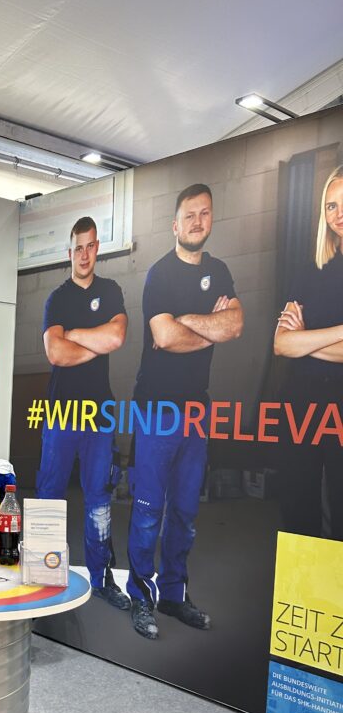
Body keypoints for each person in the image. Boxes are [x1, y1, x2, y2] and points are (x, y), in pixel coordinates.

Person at [127, 184, 243, 639]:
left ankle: (173, 595)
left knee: (185, 511)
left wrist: (186, 322)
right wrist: (207, 326)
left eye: (204, 213)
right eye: (189, 215)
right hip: (156, 407)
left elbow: (235, 325)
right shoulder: (159, 274)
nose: (197, 221)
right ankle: (141, 596)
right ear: (175, 225)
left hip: (196, 409)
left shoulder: (220, 271)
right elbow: (164, 337)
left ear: (211, 220)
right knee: (148, 509)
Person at [35, 216, 129, 608]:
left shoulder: (111, 290)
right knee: (49, 495)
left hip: (98, 413)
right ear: (69, 252)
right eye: (78, 248)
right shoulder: (57, 298)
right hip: (60, 411)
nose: (84, 254)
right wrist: (96, 341)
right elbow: (55, 353)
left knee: (99, 499)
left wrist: (74, 335)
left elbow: (117, 337)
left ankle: (102, 578)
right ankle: (43, 578)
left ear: (97, 248)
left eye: (90, 246)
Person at [274, 164, 343, 540]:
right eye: (331, 206)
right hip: (301, 404)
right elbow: (282, 343)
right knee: (298, 505)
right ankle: (303, 581)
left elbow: (296, 343)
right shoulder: (310, 270)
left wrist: (307, 340)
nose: (338, 214)